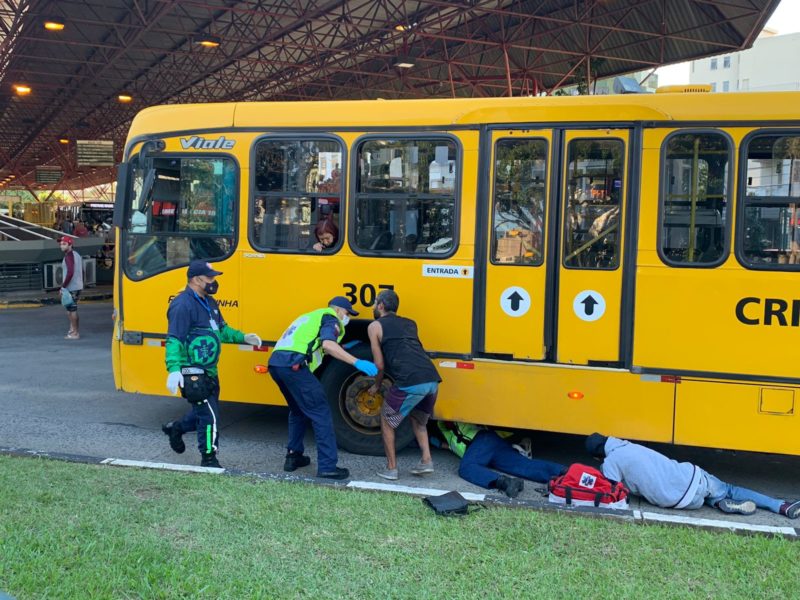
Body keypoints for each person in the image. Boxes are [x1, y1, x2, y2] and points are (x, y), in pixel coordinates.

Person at [161, 260, 262, 468]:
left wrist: (244, 337)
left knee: (204, 412)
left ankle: (176, 428)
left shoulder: (209, 302)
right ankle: (209, 459)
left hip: (210, 372)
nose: (214, 282)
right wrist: (173, 369)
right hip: (193, 373)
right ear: (197, 279)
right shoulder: (182, 305)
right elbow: (174, 339)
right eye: (210, 278)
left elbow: (222, 330)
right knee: (210, 417)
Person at [269, 296, 378, 480]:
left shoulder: (311, 316)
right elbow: (328, 344)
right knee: (321, 413)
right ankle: (328, 467)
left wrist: (345, 347)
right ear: (337, 310)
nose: (347, 318)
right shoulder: (330, 318)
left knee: (297, 411)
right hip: (295, 365)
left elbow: (318, 343)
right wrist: (357, 361)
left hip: (276, 364)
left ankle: (293, 456)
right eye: (346, 313)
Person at [585, 433, 800, 518]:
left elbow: (614, 492)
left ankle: (717, 503)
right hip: (692, 479)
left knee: (706, 495)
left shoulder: (610, 462)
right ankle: (781, 506)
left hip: (675, 502)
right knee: (728, 488)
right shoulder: (628, 445)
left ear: (597, 456)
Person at [367, 289, 441, 480]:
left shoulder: (375, 326)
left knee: (386, 419)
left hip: (411, 381)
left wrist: (376, 385)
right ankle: (426, 461)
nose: (374, 306)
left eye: (375, 303)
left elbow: (379, 364)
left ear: (381, 305)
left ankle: (391, 469)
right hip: (432, 379)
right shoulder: (410, 323)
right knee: (418, 420)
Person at [438, 421, 566, 498]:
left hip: (481, 440)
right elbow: (443, 444)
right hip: (491, 443)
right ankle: (564, 472)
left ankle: (504, 482)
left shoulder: (443, 420)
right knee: (522, 465)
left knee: (467, 467)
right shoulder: (445, 436)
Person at [59, 236, 83, 340]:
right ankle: (73, 329)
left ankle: (75, 333)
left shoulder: (68, 256)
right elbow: (82, 270)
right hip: (77, 286)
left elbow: (70, 272)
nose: (61, 246)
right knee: (70, 309)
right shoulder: (77, 255)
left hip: (71, 287)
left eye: (64, 244)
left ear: (70, 245)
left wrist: (63, 287)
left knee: (72, 310)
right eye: (61, 244)